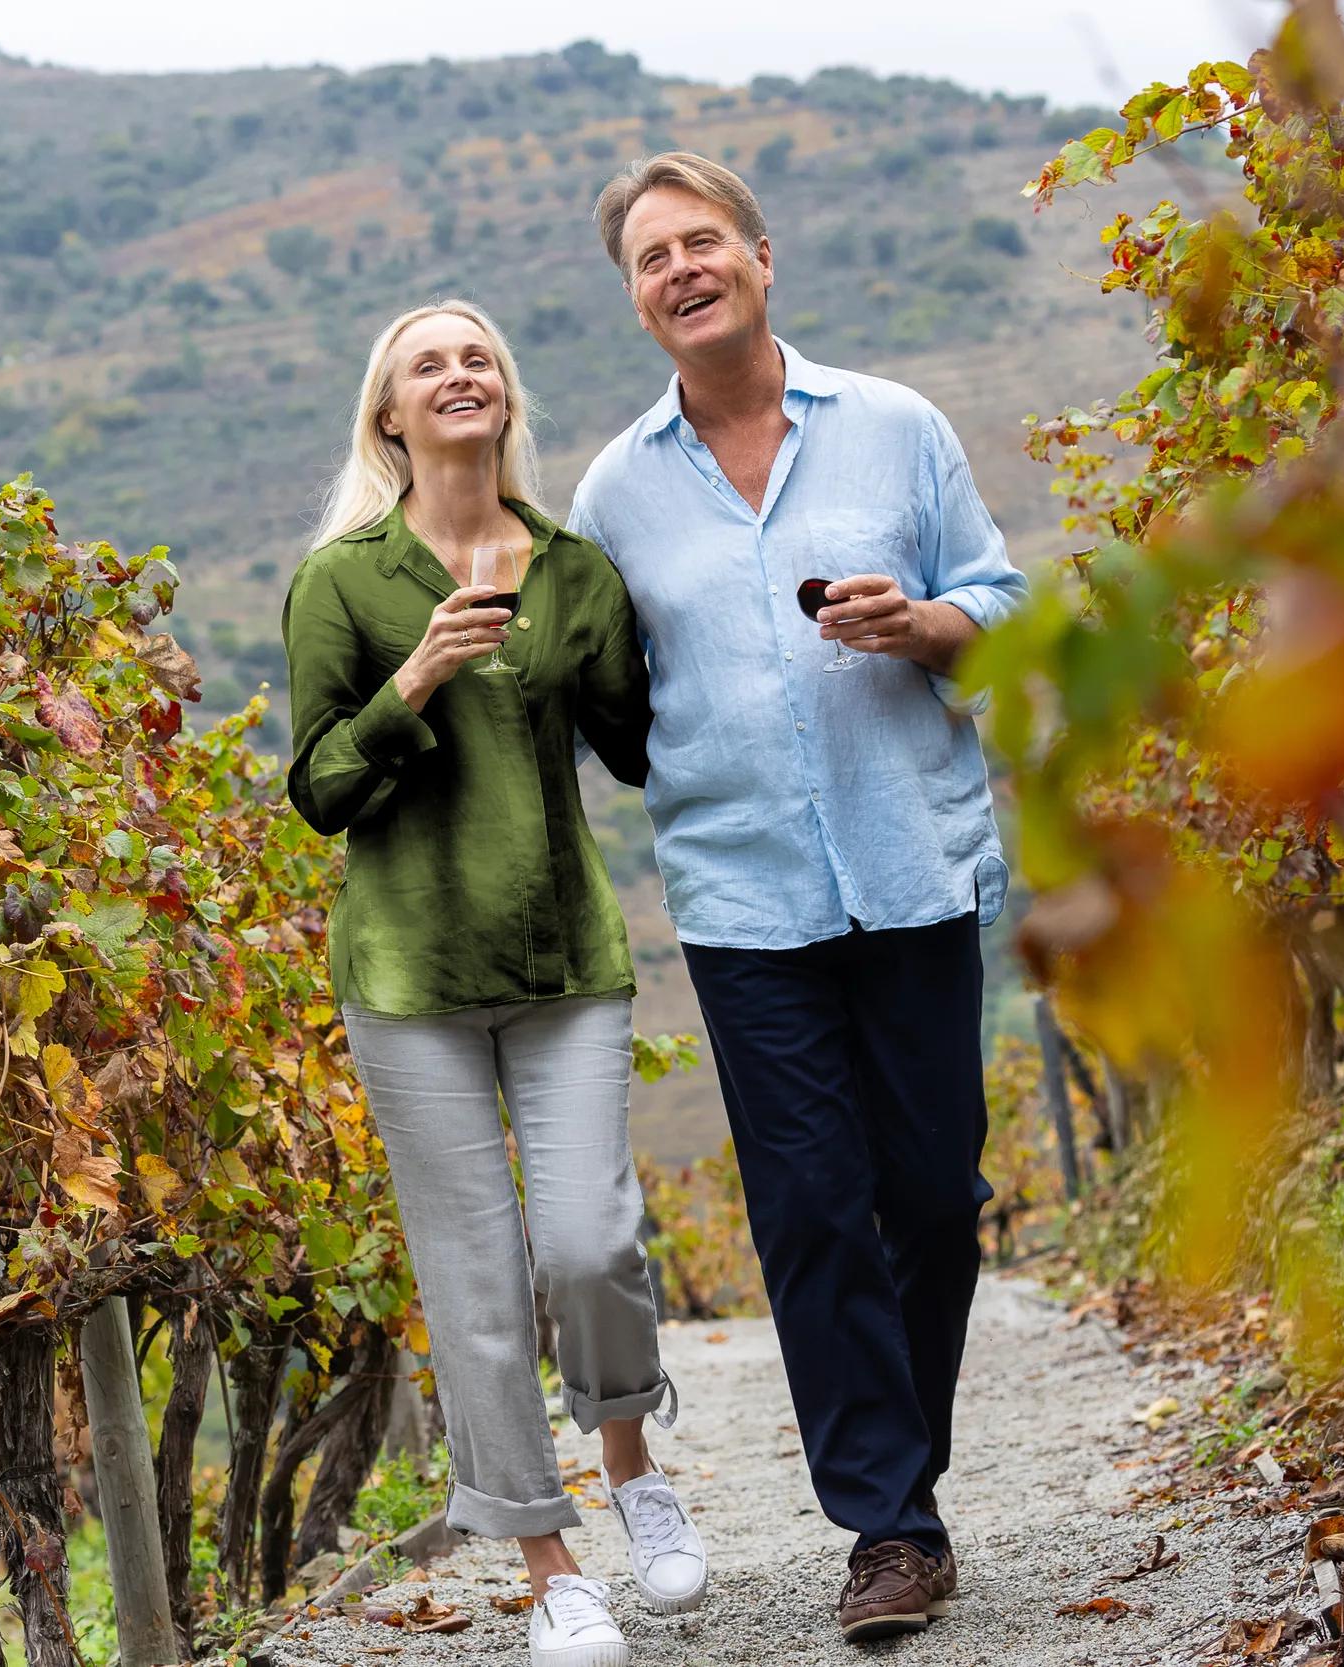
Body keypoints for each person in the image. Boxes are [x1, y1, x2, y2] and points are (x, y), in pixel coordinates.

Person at [568, 153, 1029, 1644]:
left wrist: (928, 624)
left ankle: (905, 1486)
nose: (682, 269)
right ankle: (890, 1527)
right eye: (652, 258)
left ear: (763, 258)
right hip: (741, 897)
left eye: (703, 242)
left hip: (912, 864)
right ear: (637, 302)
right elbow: (611, 699)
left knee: (933, 1197)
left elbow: (1007, 606)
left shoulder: (896, 428)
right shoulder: (614, 492)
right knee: (813, 1209)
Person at [281, 299, 707, 1667]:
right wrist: (412, 682)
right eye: (428, 364)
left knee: (589, 1240)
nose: (459, 376)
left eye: (479, 359)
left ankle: (633, 1466)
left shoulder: (576, 574)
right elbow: (317, 792)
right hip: (408, 974)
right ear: (390, 417)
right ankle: (548, 1565)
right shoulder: (341, 583)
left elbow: (640, 743)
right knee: (471, 1278)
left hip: (565, 959)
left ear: (504, 400)